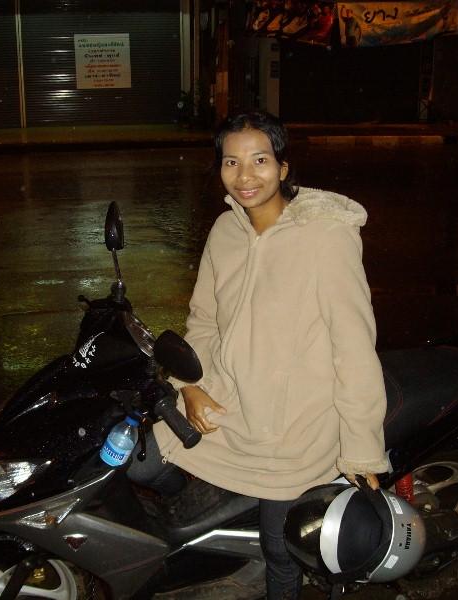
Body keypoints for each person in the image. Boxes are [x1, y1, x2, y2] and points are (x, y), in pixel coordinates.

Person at [129, 111, 388, 599]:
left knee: (280, 548)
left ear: (283, 168)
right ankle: (231, 520)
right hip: (230, 404)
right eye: (232, 162)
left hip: (294, 426)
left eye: (260, 160)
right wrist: (191, 387)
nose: (245, 175)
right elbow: (204, 319)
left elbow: (354, 346)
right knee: (140, 463)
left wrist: (360, 447)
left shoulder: (326, 238)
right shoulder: (225, 231)